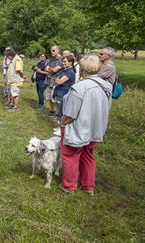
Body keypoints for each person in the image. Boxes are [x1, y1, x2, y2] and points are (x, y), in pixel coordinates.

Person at [59, 54, 112, 195]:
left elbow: (70, 114)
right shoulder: (106, 86)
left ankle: (69, 186)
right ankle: (88, 186)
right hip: (96, 128)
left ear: (82, 69)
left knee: (70, 155)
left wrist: (63, 124)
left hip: (79, 128)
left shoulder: (79, 87)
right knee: (88, 155)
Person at [52, 55, 76, 137]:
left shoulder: (70, 72)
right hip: (59, 92)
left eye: (65, 61)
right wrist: (58, 80)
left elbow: (59, 81)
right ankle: (59, 127)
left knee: (62, 111)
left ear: (71, 62)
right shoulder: (64, 70)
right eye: (63, 61)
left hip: (64, 93)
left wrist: (58, 81)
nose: (63, 63)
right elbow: (57, 79)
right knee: (59, 111)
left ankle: (62, 129)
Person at [45, 45, 63, 117]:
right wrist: (52, 69)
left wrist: (50, 69)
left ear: (58, 51)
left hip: (56, 82)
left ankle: (57, 113)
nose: (51, 52)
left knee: (54, 98)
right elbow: (46, 69)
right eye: (51, 51)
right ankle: (52, 111)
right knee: (49, 97)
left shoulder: (61, 59)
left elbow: (56, 70)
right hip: (49, 80)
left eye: (53, 50)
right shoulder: (51, 60)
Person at [6, 48, 25, 113]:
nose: (8, 58)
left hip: (16, 81)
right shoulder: (14, 59)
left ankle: (15, 107)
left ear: (11, 55)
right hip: (13, 80)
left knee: (15, 94)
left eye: (8, 56)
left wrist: (23, 76)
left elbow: (19, 70)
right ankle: (13, 105)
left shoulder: (17, 60)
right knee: (13, 94)